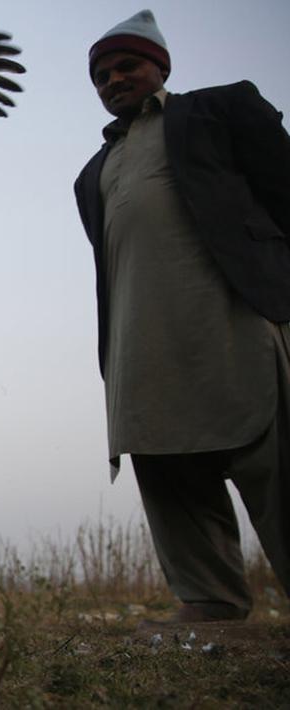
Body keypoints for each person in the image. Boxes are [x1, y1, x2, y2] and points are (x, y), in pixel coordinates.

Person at [74, 10, 290, 623]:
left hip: (231, 316)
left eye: (127, 66)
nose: (115, 80)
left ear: (159, 67)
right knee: (167, 461)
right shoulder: (92, 174)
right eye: (103, 75)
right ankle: (211, 598)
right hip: (140, 336)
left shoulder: (218, 111)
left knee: (271, 454)